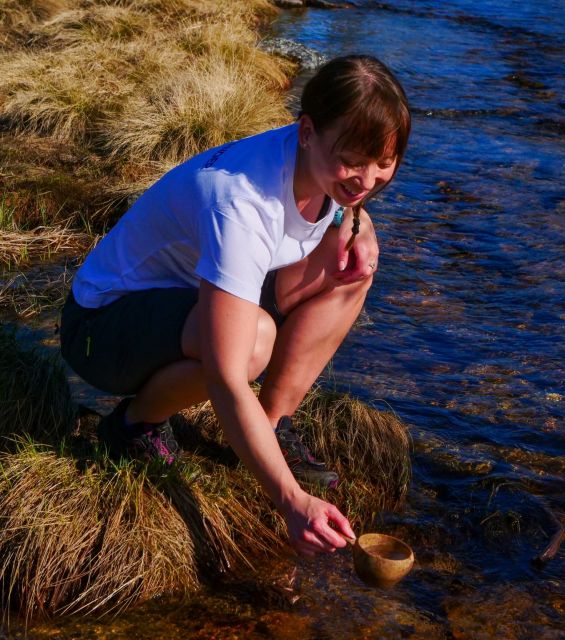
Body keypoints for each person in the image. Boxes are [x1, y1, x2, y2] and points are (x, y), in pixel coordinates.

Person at [59, 55, 411, 557]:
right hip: (102, 327)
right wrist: (290, 500)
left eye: (384, 162)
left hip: (186, 297)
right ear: (307, 132)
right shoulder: (242, 204)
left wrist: (359, 223)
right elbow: (226, 374)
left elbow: (353, 193)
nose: (367, 177)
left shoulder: (321, 167)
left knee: (351, 266)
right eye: (353, 160)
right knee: (251, 345)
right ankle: (132, 426)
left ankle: (269, 425)